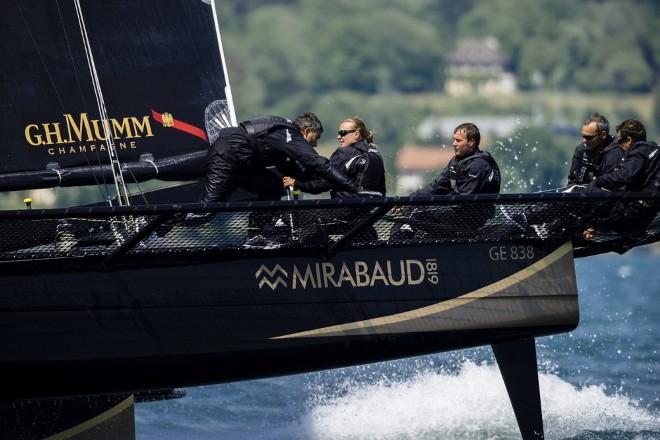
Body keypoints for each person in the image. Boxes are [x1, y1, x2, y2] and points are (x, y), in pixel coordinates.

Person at [201, 112, 355, 203]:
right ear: (306, 131)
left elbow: (302, 172)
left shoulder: (284, 142)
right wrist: (352, 186)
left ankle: (261, 237)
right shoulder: (291, 135)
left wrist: (331, 182)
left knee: (274, 187)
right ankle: (177, 217)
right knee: (206, 211)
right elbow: (317, 163)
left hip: (243, 162)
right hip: (228, 156)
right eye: (316, 138)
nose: (315, 144)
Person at [391, 123, 501, 240]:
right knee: (410, 209)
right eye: (454, 140)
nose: (454, 144)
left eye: (458, 140)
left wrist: (432, 205)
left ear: (471, 142)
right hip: (455, 212)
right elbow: (436, 187)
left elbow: (463, 198)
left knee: (418, 213)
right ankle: (395, 243)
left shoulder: (479, 165)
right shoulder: (457, 162)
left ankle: (401, 246)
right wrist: (408, 200)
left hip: (470, 217)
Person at [283, 116, 386, 198]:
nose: (339, 137)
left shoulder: (345, 153)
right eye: (339, 133)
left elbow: (324, 184)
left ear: (357, 134)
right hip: (372, 208)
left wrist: (297, 183)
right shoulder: (376, 152)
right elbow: (381, 186)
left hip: (347, 210)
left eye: (343, 133)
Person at [592, 119, 659, 193]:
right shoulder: (650, 150)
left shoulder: (639, 149)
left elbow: (626, 175)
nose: (619, 146)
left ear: (629, 140)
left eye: (620, 141)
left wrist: (598, 181)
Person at [567, 113, 624, 187]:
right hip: (586, 194)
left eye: (588, 137)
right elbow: (572, 182)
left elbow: (611, 186)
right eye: (583, 136)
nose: (584, 140)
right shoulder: (581, 149)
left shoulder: (616, 151)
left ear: (603, 135)